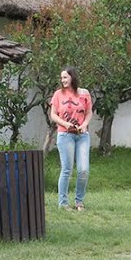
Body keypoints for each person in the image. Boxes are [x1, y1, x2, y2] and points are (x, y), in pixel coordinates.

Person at [49, 67, 93, 211]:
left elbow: (89, 113)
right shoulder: (58, 94)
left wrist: (85, 125)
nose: (63, 80)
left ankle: (79, 202)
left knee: (83, 170)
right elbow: (53, 115)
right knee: (67, 169)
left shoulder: (84, 93)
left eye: (65, 77)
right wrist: (66, 124)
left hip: (82, 136)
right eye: (61, 78)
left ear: (72, 77)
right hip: (65, 134)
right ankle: (63, 203)